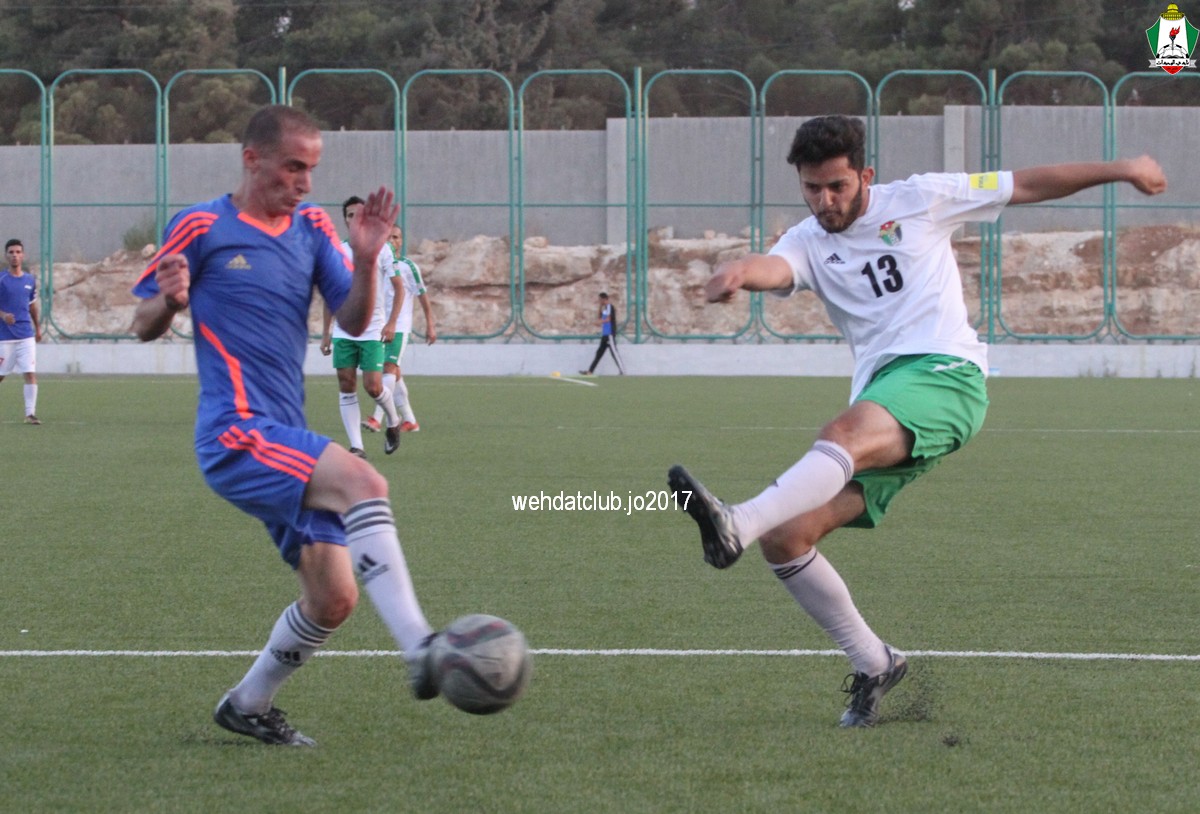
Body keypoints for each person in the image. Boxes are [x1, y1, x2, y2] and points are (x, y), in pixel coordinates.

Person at [668, 115, 1167, 728]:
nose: (825, 201)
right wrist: (740, 274)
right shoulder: (808, 239)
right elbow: (775, 266)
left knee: (838, 438)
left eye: (838, 186)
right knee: (788, 537)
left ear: (866, 175)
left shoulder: (923, 198)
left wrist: (1124, 168)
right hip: (888, 402)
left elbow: (1029, 183)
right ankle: (875, 662)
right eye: (812, 189)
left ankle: (737, 522)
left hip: (946, 377)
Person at [131, 105, 444, 747]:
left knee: (334, 598)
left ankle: (247, 704)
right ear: (253, 160)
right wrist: (169, 300)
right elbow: (142, 324)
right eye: (293, 167)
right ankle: (422, 649)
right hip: (235, 432)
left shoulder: (312, 227)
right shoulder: (200, 225)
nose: (304, 182)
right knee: (365, 482)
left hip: (284, 435)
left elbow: (351, 319)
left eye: (312, 169)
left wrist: (365, 261)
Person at [319, 196, 403, 457]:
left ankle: (393, 421)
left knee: (373, 386)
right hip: (344, 329)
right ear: (345, 220)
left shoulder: (383, 249)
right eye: (350, 215)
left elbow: (399, 288)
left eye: (359, 214)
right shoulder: (338, 251)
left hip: (373, 329)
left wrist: (391, 322)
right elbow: (330, 294)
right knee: (346, 383)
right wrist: (326, 332)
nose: (355, 219)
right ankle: (357, 447)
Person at [364, 224, 436, 434]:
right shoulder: (376, 265)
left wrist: (430, 324)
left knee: (388, 368)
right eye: (387, 237)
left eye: (395, 237)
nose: (391, 241)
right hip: (378, 326)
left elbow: (423, 296)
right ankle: (410, 420)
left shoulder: (408, 267)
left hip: (399, 327)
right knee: (393, 372)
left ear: (401, 241)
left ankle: (377, 418)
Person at [0, 238, 42, 424]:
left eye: (18, 252)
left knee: (30, 372)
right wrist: (3, 315)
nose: (15, 255)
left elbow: (32, 306)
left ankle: (30, 414)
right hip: (5, 336)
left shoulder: (30, 280)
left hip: (26, 335)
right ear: (6, 256)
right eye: (11, 252)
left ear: (23, 255)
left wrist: (38, 328)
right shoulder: (2, 279)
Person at [580, 291, 624, 376]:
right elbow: (600, 317)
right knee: (599, 353)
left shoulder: (610, 307)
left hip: (609, 334)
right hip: (605, 335)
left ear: (604, 299)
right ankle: (590, 371)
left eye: (600, 300)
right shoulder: (605, 309)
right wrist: (600, 307)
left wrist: (599, 322)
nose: (599, 301)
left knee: (614, 352)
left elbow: (608, 319)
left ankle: (622, 370)